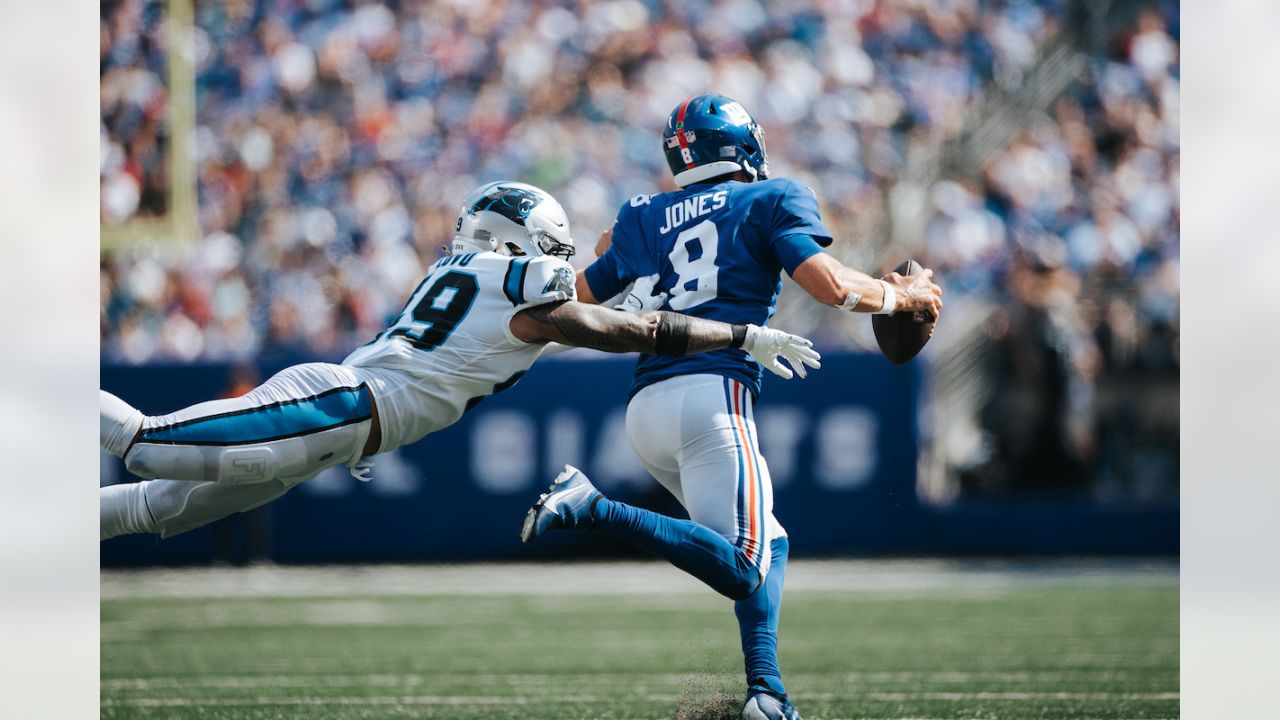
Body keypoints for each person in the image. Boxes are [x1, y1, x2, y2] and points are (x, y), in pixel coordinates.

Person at [520, 94, 943, 720]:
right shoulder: (771, 197)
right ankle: (592, 505)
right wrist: (899, 297)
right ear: (743, 144)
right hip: (712, 396)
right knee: (746, 564)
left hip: (647, 407)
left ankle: (766, 695)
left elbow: (579, 304)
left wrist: (618, 263)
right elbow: (827, 286)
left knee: (769, 542)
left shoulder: (644, 213)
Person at [100, 181, 821, 541]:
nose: (560, 260)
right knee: (141, 446)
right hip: (342, 406)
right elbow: (608, 327)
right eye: (551, 244)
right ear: (518, 237)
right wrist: (734, 335)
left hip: (342, 419)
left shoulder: (464, 270)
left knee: (148, 510)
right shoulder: (515, 279)